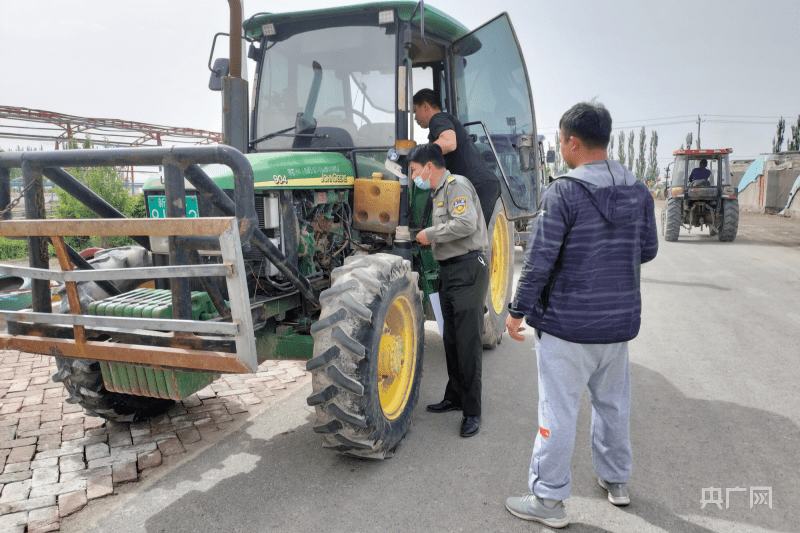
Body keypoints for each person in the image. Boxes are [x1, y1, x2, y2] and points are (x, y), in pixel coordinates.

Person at [503, 102, 658, 528]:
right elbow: (648, 250)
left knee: (557, 412)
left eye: (560, 138)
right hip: (616, 327)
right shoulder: (638, 190)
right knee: (613, 406)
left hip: (567, 328)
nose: (559, 145)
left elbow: (538, 261)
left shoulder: (564, 191)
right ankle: (616, 481)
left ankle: (548, 501)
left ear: (572, 141)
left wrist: (517, 311)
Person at [409, 143, 489, 438]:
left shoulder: (457, 186)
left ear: (429, 166)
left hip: (468, 268)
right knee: (452, 338)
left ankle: (472, 411)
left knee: (468, 342)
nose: (414, 176)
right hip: (449, 271)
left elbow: (466, 223)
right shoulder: (436, 193)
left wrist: (429, 235)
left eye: (415, 170)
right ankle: (455, 396)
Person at [413, 88, 500, 227]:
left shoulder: (438, 118)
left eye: (415, 111)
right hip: (481, 185)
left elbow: (449, 143)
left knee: (472, 241)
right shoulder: (442, 126)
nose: (415, 118)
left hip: (477, 186)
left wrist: (419, 155)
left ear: (425, 106)